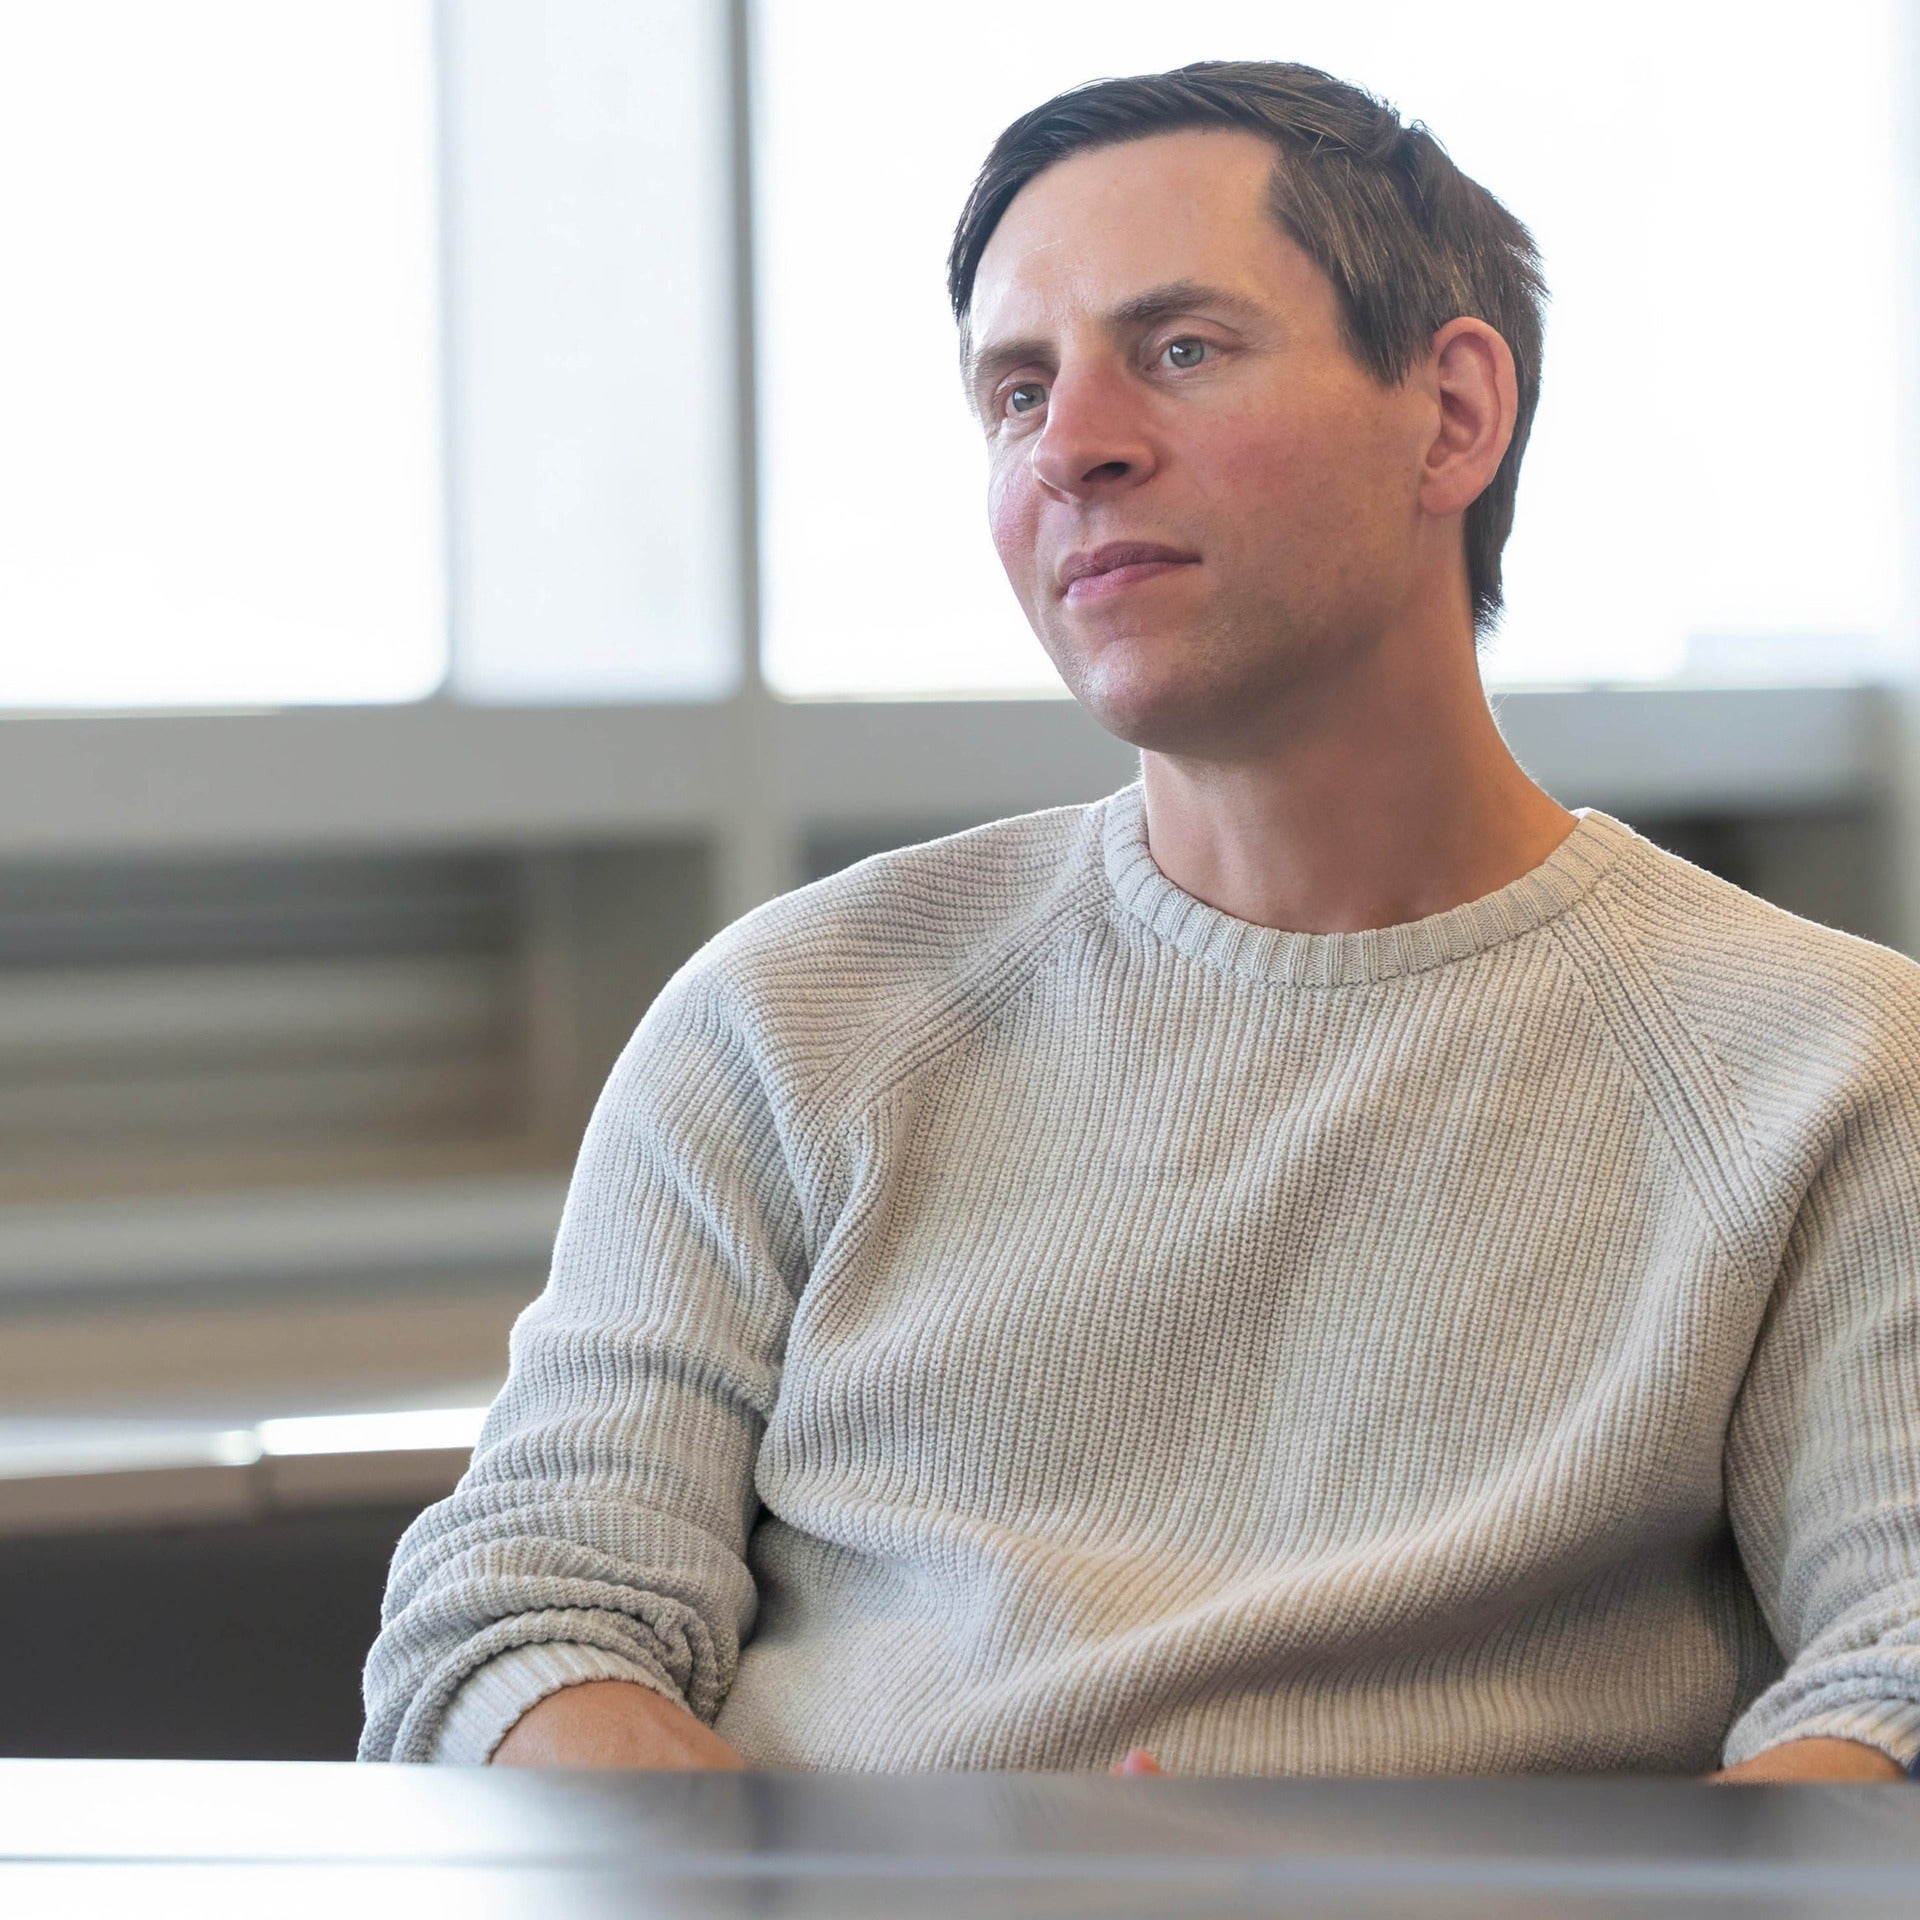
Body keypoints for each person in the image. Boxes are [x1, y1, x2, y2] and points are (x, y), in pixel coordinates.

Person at [361, 60, 1919, 1784]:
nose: (1076, 443)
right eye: (1017, 391)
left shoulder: (1824, 1069)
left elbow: (1902, 1665)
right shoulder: (789, 1019)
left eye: (1181, 348)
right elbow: (512, 1631)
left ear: (1453, 416)